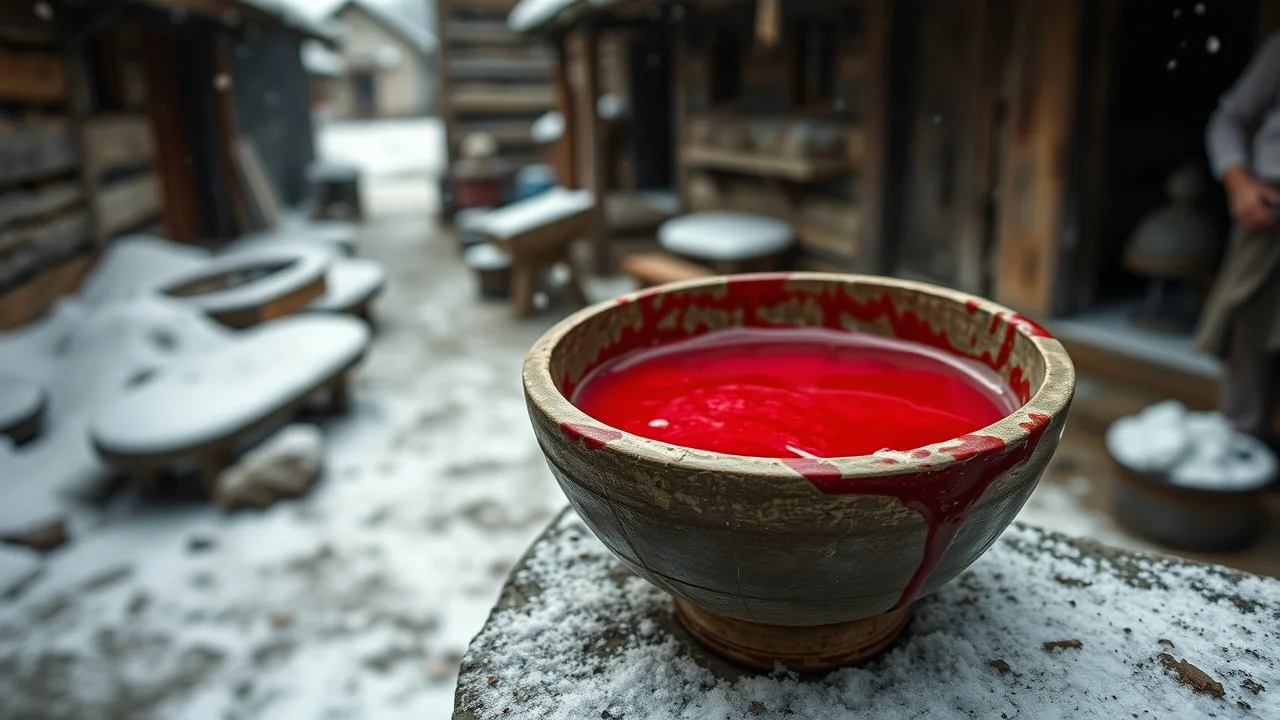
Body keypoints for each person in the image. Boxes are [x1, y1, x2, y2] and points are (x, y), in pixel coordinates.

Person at [1199, 31, 1280, 449]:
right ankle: (1241, 454)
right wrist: (1239, 183)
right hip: (1269, 216)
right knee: (1249, 336)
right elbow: (1227, 119)